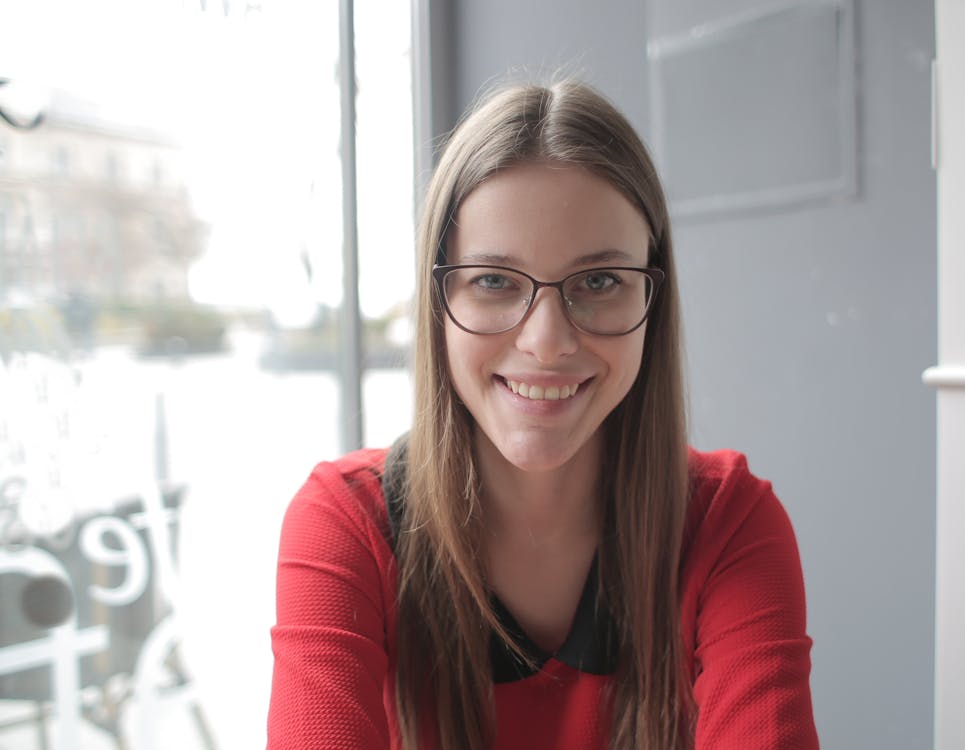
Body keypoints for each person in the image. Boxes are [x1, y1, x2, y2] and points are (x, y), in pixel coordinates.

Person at [267, 78, 818, 750]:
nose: (547, 340)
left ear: (654, 295)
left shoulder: (727, 523)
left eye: (598, 281)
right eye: (494, 281)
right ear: (439, 301)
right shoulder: (347, 524)